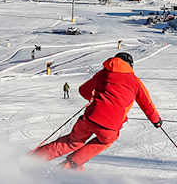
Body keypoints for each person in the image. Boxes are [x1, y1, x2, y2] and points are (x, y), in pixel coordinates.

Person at [31, 52, 160, 170]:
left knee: (72, 142)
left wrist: (96, 100)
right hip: (111, 126)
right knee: (105, 141)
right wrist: (156, 121)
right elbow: (146, 104)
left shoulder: (102, 74)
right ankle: (70, 164)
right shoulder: (135, 82)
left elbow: (84, 90)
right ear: (130, 65)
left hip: (90, 118)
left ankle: (33, 159)